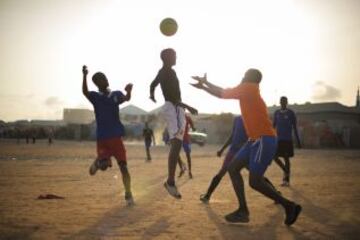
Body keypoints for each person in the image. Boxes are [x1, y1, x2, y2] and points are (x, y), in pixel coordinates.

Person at [191, 69, 301, 225]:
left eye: (244, 75)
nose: (241, 77)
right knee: (233, 168)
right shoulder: (248, 90)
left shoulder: (248, 88)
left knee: (255, 181)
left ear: (250, 78)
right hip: (254, 140)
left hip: (263, 139)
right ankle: (243, 211)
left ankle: (289, 206)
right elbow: (224, 91)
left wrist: (204, 86)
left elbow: (222, 93)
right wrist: (206, 83)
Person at [82, 65, 134, 206]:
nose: (105, 80)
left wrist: (129, 91)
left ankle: (128, 194)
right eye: (101, 80)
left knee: (124, 167)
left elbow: (127, 98)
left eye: (105, 78)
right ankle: (100, 162)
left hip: (116, 138)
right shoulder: (96, 97)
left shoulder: (115, 95)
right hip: (103, 138)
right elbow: (85, 92)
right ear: (97, 84)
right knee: (104, 167)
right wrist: (85, 75)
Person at [149, 48, 198, 199]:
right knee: (176, 144)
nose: (177, 57)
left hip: (176, 108)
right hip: (174, 107)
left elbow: (153, 84)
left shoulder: (163, 71)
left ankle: (171, 180)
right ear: (167, 58)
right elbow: (172, 95)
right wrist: (188, 106)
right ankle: (170, 181)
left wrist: (152, 95)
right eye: (174, 56)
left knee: (177, 143)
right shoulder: (168, 72)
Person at [200, 116, 279, 203]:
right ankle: (207, 195)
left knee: (256, 176)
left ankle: (276, 194)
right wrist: (222, 149)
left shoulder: (253, 118)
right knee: (222, 172)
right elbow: (233, 135)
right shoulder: (237, 119)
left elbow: (255, 136)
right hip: (233, 151)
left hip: (245, 152)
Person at [273, 96, 301, 186]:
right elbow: (273, 127)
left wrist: (298, 141)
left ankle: (286, 180)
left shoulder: (291, 113)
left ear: (287, 102)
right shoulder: (276, 113)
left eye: (285, 101)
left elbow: (295, 128)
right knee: (274, 156)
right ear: (280, 102)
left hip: (287, 140)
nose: (283, 103)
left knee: (286, 159)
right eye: (282, 101)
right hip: (278, 140)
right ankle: (285, 169)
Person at [182, 114, 196, 179]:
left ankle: (189, 171)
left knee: (188, 155)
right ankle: (182, 167)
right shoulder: (176, 116)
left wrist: (193, 128)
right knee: (175, 154)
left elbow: (193, 126)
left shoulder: (187, 117)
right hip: (178, 138)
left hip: (185, 139)